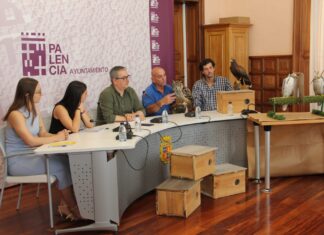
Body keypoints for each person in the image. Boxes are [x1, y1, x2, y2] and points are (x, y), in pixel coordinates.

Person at [3, 77, 81, 221]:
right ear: (27, 95)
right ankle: (75, 209)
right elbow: (31, 141)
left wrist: (59, 135)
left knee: (66, 160)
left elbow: (43, 134)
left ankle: (65, 206)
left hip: (32, 155)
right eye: (38, 92)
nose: (41, 95)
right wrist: (56, 138)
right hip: (18, 160)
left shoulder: (34, 110)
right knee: (59, 167)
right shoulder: (15, 114)